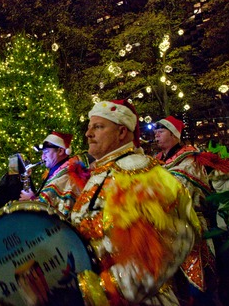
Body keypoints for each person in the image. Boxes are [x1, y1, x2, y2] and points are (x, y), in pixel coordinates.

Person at [71, 100, 199, 305]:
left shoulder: (138, 173)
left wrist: (91, 291)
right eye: (89, 127)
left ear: (122, 132)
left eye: (98, 127)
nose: (88, 134)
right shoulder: (106, 171)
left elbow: (153, 259)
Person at [153, 116, 218, 305]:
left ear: (175, 135)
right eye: (155, 131)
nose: (156, 134)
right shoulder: (156, 162)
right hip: (164, 232)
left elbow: (182, 194)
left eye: (161, 131)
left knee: (197, 287)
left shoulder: (190, 160)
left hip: (190, 228)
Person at [20, 131, 90, 217]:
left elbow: (57, 211)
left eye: (46, 152)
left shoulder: (67, 176)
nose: (42, 157)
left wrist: (31, 199)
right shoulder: (57, 172)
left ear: (60, 151)